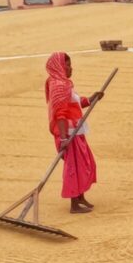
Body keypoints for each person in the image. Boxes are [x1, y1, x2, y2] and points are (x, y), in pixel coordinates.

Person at [44, 52, 103, 214]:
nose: (71, 68)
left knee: (84, 163)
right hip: (68, 134)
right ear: (60, 67)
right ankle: (74, 204)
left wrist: (91, 99)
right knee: (74, 167)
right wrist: (63, 138)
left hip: (75, 131)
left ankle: (80, 197)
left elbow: (74, 102)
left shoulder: (64, 83)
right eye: (67, 65)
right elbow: (60, 114)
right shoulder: (59, 86)